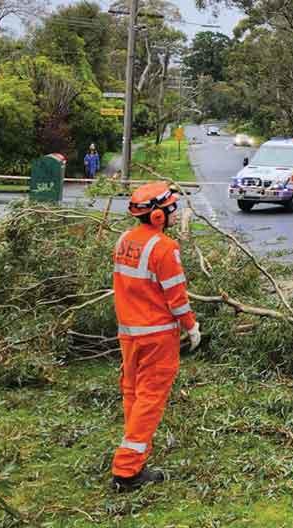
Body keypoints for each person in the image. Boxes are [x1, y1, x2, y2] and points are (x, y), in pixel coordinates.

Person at [110, 182, 202, 492]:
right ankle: (127, 470)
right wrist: (191, 327)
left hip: (129, 335)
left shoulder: (124, 241)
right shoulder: (164, 248)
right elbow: (176, 297)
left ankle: (136, 456)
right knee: (150, 400)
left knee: (133, 396)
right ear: (158, 217)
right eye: (171, 208)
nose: (175, 212)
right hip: (157, 337)